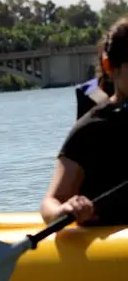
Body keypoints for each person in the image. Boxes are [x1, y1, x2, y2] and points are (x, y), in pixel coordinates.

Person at [41, 17, 128, 226]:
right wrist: (66, 209)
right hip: (107, 241)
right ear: (109, 66)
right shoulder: (91, 128)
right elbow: (50, 203)